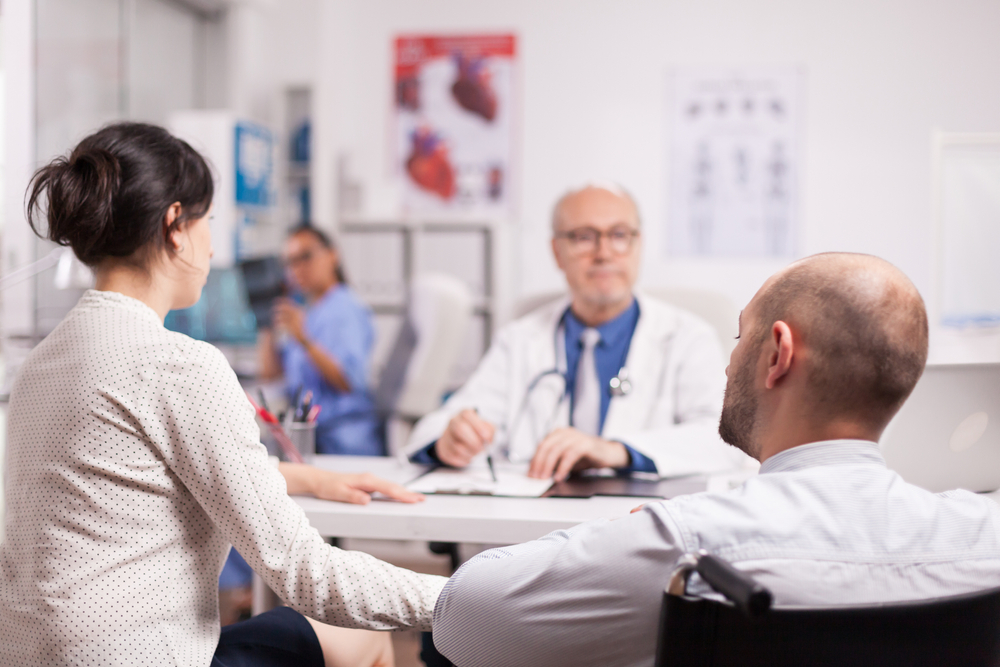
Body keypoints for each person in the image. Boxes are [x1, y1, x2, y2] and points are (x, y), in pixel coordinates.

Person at [0, 123, 446, 666]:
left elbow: (131, 474)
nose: (212, 243)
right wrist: (466, 597)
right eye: (208, 220)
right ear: (175, 226)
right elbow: (308, 575)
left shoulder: (38, 365)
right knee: (367, 640)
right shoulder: (179, 364)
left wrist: (307, 477)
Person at [431, 252, 1000, 667]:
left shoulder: (691, 549)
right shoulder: (986, 535)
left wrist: (617, 538)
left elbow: (464, 624)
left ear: (777, 354)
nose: (728, 366)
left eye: (739, 338)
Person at [406, 183, 745, 479]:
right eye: (584, 237)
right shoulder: (520, 340)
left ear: (638, 245)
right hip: (534, 527)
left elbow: (726, 439)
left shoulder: (687, 337)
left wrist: (616, 450)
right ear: (557, 251)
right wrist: (449, 441)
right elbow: (442, 425)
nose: (603, 253)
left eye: (619, 235)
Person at [258, 225, 383, 456]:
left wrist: (304, 339)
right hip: (312, 439)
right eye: (290, 262)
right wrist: (266, 323)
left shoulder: (345, 308)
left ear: (333, 255)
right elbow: (270, 374)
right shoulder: (308, 313)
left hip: (342, 443)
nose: (297, 269)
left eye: (305, 257)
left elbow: (348, 380)